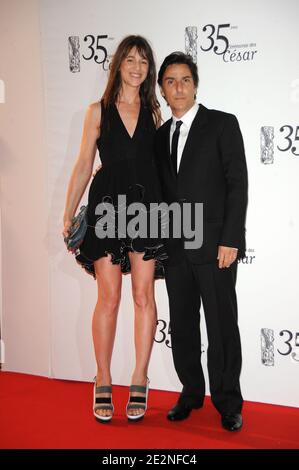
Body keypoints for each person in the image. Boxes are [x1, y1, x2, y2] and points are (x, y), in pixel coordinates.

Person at [62, 35, 167, 423]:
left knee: (143, 296)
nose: (137, 67)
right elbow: (82, 165)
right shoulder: (97, 111)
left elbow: (160, 168)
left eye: (143, 61)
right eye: (130, 60)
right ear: (118, 65)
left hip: (147, 208)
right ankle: (102, 376)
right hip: (107, 208)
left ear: (148, 69)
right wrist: (68, 212)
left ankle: (140, 375)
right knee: (108, 297)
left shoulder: (155, 112)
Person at [155, 52, 248, 431]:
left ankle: (228, 401)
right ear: (162, 90)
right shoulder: (159, 137)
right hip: (175, 248)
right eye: (171, 81)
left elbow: (237, 185)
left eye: (185, 80)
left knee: (222, 323)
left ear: (196, 85)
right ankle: (191, 391)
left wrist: (230, 238)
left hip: (215, 247)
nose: (178, 87)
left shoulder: (222, 125)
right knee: (183, 324)